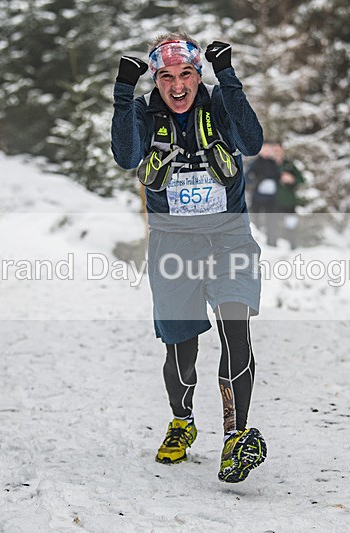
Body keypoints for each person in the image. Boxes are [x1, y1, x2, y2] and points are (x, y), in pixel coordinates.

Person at [111, 32, 267, 483]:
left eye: (186, 75)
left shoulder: (218, 103)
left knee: (235, 328)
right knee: (182, 344)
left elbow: (252, 142)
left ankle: (235, 437)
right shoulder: (144, 111)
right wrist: (124, 93)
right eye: (166, 77)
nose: (177, 87)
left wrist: (229, 77)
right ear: (155, 80)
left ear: (198, 75)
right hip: (172, 239)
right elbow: (126, 156)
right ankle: (182, 421)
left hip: (228, 235)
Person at [246, 141, 283, 246]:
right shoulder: (255, 162)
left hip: (271, 198)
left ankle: (272, 243)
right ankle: (256, 243)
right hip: (258, 197)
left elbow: (279, 176)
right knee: (256, 220)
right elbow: (248, 177)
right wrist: (256, 183)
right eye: (265, 149)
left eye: (269, 149)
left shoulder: (273, 163)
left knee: (271, 221)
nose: (267, 151)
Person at [273, 154, 305, 249]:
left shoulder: (289, 165)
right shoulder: (268, 164)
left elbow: (301, 180)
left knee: (291, 224)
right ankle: (273, 246)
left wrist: (292, 179)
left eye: (278, 150)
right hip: (273, 201)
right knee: (273, 224)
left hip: (289, 201)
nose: (276, 153)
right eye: (274, 150)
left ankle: (292, 246)